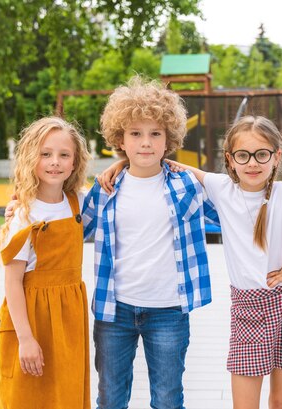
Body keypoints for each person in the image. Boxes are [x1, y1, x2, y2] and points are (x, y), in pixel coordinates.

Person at [158, 115, 282, 408]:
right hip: (248, 308)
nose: (252, 163)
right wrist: (120, 164)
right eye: (243, 155)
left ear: (276, 157)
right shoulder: (221, 188)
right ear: (230, 159)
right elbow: (172, 166)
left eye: (262, 154)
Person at [82, 76, 218, 409]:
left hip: (168, 311)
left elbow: (234, 206)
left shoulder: (186, 184)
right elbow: (72, 227)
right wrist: (22, 204)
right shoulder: (106, 188)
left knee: (168, 399)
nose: (146, 143)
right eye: (136, 134)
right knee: (111, 398)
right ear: (120, 139)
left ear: (169, 138)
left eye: (155, 133)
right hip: (115, 312)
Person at [0, 117, 92, 408]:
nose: (55, 162)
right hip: (30, 318)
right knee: (23, 394)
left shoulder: (78, 203)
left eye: (64, 155)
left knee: (63, 394)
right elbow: (13, 281)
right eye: (46, 154)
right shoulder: (24, 215)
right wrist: (26, 339)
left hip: (67, 320)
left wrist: (119, 165)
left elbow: (115, 187)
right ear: (32, 158)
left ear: (75, 162)